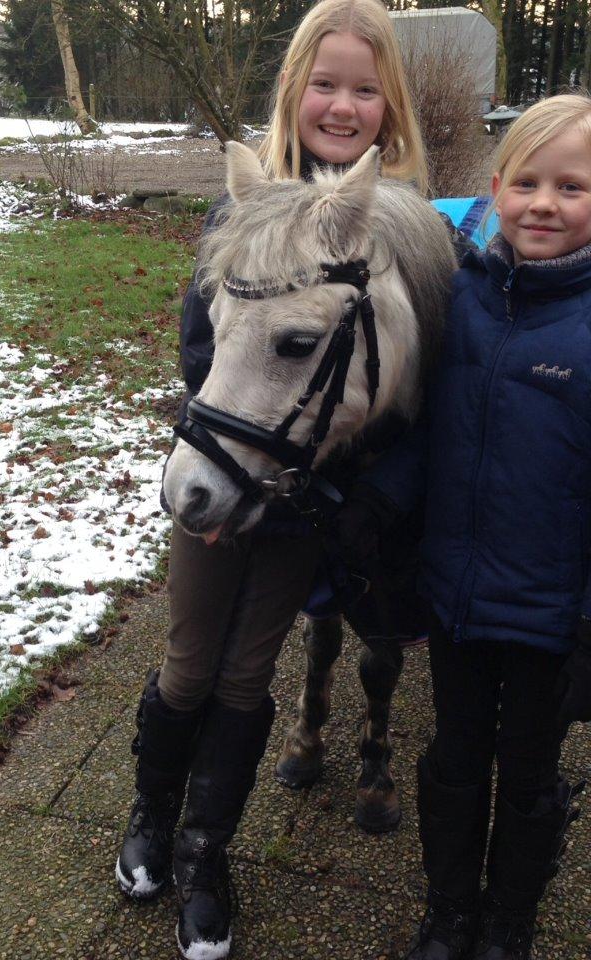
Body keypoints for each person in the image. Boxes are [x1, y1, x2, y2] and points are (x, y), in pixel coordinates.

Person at [115, 3, 443, 958]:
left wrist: (352, 497)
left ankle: (205, 855)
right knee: (186, 665)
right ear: (294, 90)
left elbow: (421, 384)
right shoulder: (244, 205)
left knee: (250, 673)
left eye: (365, 89)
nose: (341, 106)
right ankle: (149, 816)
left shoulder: (407, 226)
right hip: (227, 467)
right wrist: (228, 460)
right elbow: (203, 350)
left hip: (311, 500)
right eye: (324, 83)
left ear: (391, 108)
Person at [347, 93, 591, 960]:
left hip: (548, 617)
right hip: (455, 597)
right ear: (495, 188)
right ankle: (450, 910)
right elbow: (434, 429)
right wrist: (382, 504)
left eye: (572, 186)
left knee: (525, 773)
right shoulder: (465, 299)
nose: (544, 203)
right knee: (454, 757)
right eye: (526, 181)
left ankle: (509, 919)